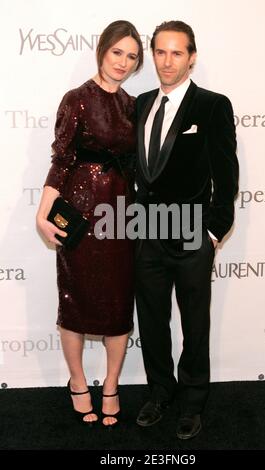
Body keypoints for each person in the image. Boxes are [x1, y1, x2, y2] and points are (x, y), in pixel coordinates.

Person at [36, 20, 143, 427]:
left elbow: (141, 165)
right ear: (102, 50)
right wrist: (44, 207)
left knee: (118, 302)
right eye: (117, 52)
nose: (123, 62)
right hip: (79, 210)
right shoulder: (76, 99)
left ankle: (112, 385)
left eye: (132, 56)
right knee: (75, 299)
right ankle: (78, 381)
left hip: (120, 213)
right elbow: (61, 158)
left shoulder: (135, 105)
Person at [135, 21, 239, 439]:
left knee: (195, 323)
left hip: (193, 234)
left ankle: (193, 400)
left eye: (177, 53)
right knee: (152, 321)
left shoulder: (212, 106)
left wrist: (215, 231)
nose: (167, 61)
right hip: (146, 232)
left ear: (191, 57)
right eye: (160, 52)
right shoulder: (141, 103)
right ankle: (160, 391)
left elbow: (226, 173)